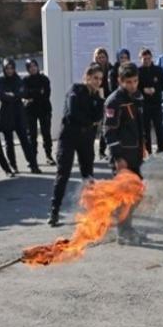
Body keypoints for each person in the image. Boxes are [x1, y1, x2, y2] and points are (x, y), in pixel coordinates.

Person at [49, 63, 105, 227]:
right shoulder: (76, 89)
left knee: (88, 175)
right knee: (63, 173)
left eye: (100, 79)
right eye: (95, 78)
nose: (97, 82)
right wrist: (91, 121)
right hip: (69, 137)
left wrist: (100, 101)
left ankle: (92, 210)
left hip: (86, 138)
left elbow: (99, 117)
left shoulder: (97, 97)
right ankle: (54, 211)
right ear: (87, 77)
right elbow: (73, 113)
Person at [103, 62, 148, 245]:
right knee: (125, 196)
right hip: (122, 157)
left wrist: (143, 146)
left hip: (135, 154)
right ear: (120, 81)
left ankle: (128, 226)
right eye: (128, 82)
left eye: (135, 81)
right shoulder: (114, 101)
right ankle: (123, 232)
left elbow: (139, 126)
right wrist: (118, 158)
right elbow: (109, 132)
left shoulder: (137, 96)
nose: (133, 85)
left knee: (137, 194)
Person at [0, 58, 38, 174]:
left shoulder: (18, 79)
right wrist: (15, 95)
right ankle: (13, 165)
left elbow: (23, 93)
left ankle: (33, 164)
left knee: (24, 139)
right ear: (4, 69)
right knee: (9, 142)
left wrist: (12, 95)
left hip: (18, 113)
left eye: (12, 68)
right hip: (6, 114)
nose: (9, 71)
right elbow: (1, 95)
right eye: (7, 68)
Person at [23, 58, 55, 167]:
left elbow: (46, 95)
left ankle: (49, 156)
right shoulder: (25, 80)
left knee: (46, 133)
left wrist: (32, 95)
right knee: (31, 135)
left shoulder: (44, 79)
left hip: (44, 109)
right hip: (30, 111)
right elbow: (24, 94)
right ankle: (33, 158)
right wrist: (37, 92)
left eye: (34, 66)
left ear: (37, 66)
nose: (33, 68)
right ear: (27, 69)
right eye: (30, 67)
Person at [137, 48, 163, 154]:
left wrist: (155, 89)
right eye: (144, 59)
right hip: (144, 104)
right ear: (140, 59)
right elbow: (135, 87)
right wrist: (143, 90)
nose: (147, 61)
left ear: (151, 58)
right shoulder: (138, 71)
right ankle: (148, 150)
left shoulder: (158, 70)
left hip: (156, 103)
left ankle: (161, 148)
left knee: (159, 127)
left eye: (148, 58)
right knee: (146, 129)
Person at [93, 48, 115, 158]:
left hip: (108, 100)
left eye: (103, 57)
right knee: (94, 125)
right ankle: (90, 151)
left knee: (106, 125)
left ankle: (102, 150)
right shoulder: (93, 69)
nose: (101, 59)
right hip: (96, 100)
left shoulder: (110, 68)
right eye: (99, 57)